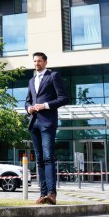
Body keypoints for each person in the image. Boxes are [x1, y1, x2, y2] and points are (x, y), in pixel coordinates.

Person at [25, 52, 69, 205]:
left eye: (39, 61)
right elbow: (28, 101)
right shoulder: (31, 80)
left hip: (47, 122)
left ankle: (52, 193)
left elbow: (64, 98)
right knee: (39, 160)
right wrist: (28, 108)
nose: (37, 63)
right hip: (34, 123)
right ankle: (43, 194)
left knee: (48, 157)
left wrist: (45, 105)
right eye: (35, 61)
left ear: (45, 62)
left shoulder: (53, 76)